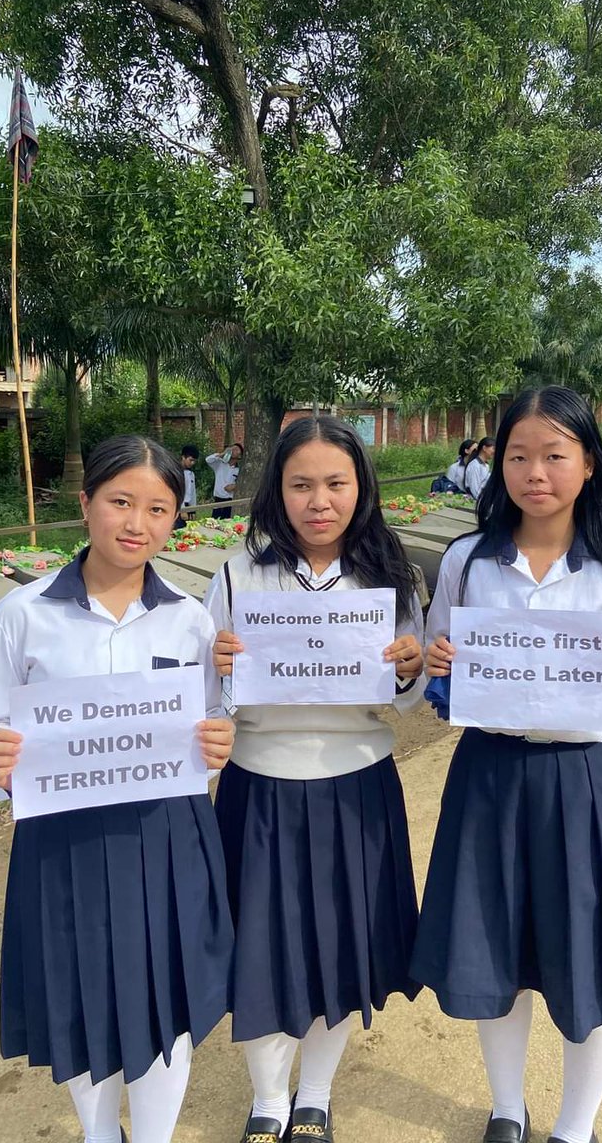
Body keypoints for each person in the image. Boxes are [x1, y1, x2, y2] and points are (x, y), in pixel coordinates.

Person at [411, 386, 602, 1143]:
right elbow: (444, 670)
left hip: (591, 782)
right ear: (498, 463)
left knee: (591, 953)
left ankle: (574, 1125)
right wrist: (439, 666)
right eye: (518, 455)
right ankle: (506, 1109)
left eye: (555, 455)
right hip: (489, 778)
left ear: (588, 463)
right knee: (492, 948)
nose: (536, 473)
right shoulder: (469, 561)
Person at [0, 436, 236, 1143]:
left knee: (163, 994)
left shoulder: (189, 618)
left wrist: (217, 741)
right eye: (120, 502)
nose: (136, 523)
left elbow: (213, 716)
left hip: (167, 835)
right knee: (79, 990)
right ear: (85, 504)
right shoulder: (24, 614)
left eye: (159, 509)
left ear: (177, 519)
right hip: (63, 838)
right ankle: (99, 1132)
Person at [205, 415, 426, 1143]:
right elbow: (209, 700)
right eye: (301, 484)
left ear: (360, 489)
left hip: (355, 784)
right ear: (278, 490)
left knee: (340, 946)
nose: (319, 500)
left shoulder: (389, 576)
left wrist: (406, 670)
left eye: (336, 483)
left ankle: (316, 1098)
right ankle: (268, 1099)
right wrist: (223, 669)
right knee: (263, 946)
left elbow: (408, 698)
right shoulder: (240, 574)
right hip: (259, 784)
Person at [206, 442, 243, 518]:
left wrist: (235, 486)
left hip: (230, 500)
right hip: (218, 499)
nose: (233, 450)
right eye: (232, 448)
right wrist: (222, 454)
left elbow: (243, 484)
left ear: (240, 456)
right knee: (215, 522)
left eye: (236, 450)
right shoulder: (220, 464)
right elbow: (208, 460)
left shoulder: (239, 470)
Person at [173, 443, 200, 530]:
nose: (192, 463)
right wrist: (182, 509)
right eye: (190, 460)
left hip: (188, 508)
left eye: (194, 461)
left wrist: (193, 510)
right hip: (178, 507)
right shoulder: (176, 472)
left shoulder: (191, 474)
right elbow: (176, 493)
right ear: (183, 457)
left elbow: (192, 494)